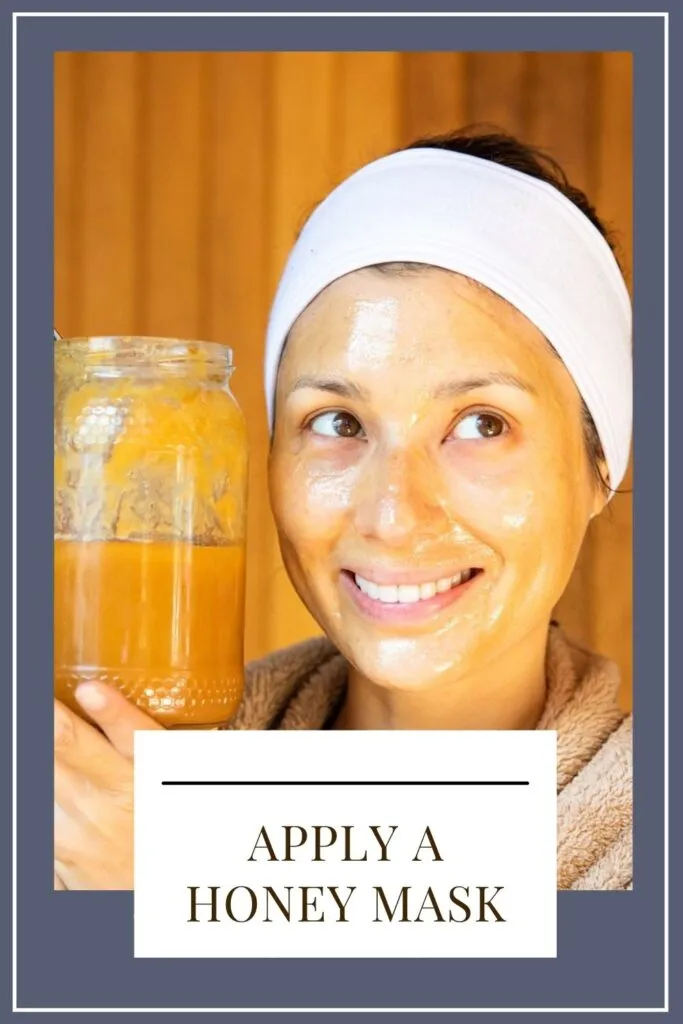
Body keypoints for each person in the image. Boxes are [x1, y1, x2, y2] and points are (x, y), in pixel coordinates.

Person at [54, 129, 633, 892]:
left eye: (482, 424)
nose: (393, 514)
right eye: (336, 423)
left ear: (598, 468)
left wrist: (187, 900)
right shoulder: (110, 795)